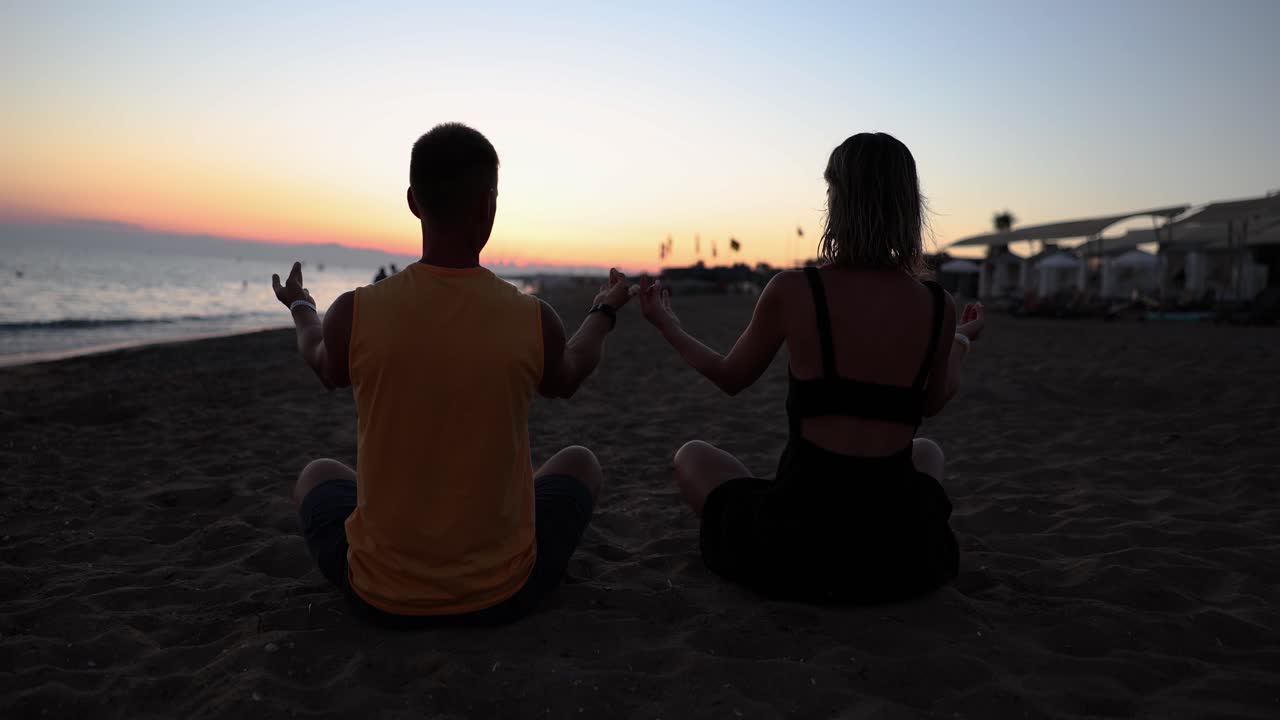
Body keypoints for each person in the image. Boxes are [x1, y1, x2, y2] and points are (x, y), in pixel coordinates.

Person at [271, 123, 633, 626]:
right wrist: (603, 312)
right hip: (504, 592)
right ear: (488, 205)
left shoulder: (356, 312)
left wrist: (303, 304)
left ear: (413, 202)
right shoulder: (531, 317)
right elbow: (570, 372)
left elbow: (317, 357)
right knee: (580, 464)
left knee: (317, 474)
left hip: (380, 596)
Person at [637, 132, 985, 604]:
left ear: (839, 199)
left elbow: (729, 377)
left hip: (799, 540)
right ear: (909, 205)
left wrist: (667, 324)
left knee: (691, 456)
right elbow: (935, 401)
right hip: (900, 550)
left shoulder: (795, 290)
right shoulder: (937, 304)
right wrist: (960, 341)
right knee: (927, 452)